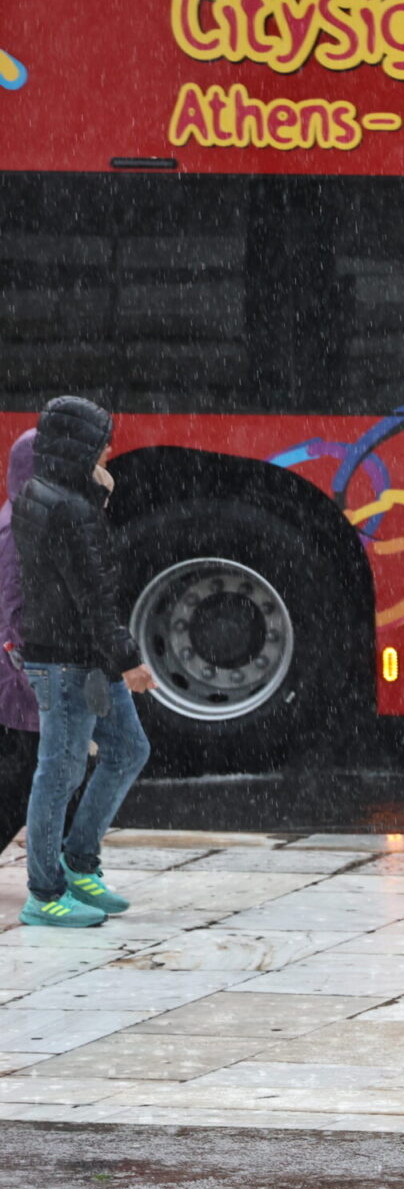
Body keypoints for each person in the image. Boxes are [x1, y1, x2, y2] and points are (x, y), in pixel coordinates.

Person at [14, 397, 156, 928]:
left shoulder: (42, 494)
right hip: (69, 661)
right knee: (60, 772)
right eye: (102, 442)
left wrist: (95, 494)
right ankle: (44, 893)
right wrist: (129, 660)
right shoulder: (70, 511)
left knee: (127, 749)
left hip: (78, 656)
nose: (110, 450)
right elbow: (93, 596)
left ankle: (78, 861)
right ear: (80, 448)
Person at [0, 430, 40, 851]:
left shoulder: (19, 516)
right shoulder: (20, 526)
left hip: (17, 667)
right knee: (23, 772)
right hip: (19, 671)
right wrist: (25, 665)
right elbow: (14, 604)